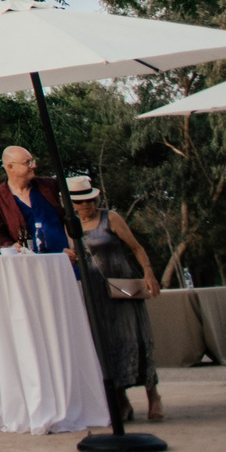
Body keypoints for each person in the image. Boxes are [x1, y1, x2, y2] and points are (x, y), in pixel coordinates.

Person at [68, 175, 163, 424]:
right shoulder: (69, 226)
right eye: (80, 202)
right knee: (106, 344)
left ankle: (153, 395)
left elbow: (136, 247)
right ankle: (122, 402)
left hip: (121, 285)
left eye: (90, 200)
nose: (87, 206)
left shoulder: (110, 217)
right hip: (94, 290)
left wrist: (149, 273)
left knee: (135, 338)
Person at [0, 145, 74, 255]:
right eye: (28, 163)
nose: (34, 166)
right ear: (10, 167)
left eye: (32, 161)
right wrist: (11, 246)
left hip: (66, 258)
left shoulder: (49, 186)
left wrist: (74, 246)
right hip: (30, 262)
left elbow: (73, 214)